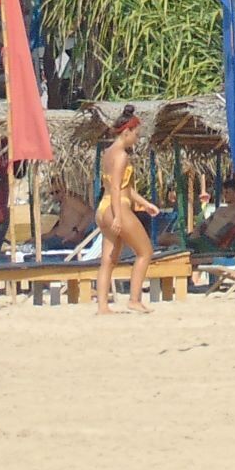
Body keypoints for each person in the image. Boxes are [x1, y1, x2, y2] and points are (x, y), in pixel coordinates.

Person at [94, 107, 162, 314]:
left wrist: (145, 203)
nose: (137, 138)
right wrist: (117, 216)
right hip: (117, 207)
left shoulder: (108, 153)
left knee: (108, 259)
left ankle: (103, 306)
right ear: (127, 132)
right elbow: (117, 187)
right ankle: (134, 299)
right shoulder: (122, 155)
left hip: (103, 207)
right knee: (145, 252)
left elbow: (125, 188)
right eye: (136, 134)